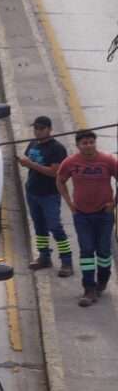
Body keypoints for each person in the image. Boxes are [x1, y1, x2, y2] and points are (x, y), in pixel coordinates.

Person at [56, 130, 118, 306]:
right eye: (85, 143)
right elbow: (60, 180)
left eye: (91, 142)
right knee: (86, 251)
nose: (89, 145)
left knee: (104, 251)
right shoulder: (71, 162)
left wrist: (114, 203)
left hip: (104, 215)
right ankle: (89, 289)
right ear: (78, 145)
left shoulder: (108, 161)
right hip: (81, 215)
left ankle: (103, 279)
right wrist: (69, 203)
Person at [19, 116, 74, 275]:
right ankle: (44, 257)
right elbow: (30, 161)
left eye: (41, 128)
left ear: (50, 129)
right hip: (32, 192)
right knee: (39, 227)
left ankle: (66, 261)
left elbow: (54, 172)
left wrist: (31, 165)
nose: (37, 131)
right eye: (35, 128)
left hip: (49, 194)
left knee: (55, 227)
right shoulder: (33, 144)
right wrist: (26, 163)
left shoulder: (57, 149)